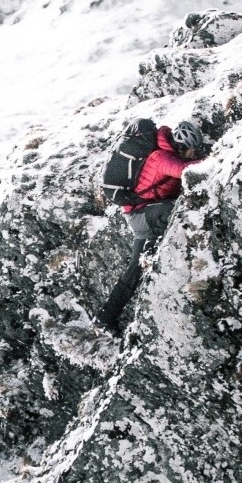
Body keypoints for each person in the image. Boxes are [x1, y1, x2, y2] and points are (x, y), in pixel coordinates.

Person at [95, 120, 205, 333]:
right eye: (192, 150)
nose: (194, 154)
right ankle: (152, 249)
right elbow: (183, 170)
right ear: (180, 146)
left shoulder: (165, 154)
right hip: (142, 216)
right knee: (175, 208)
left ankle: (104, 318)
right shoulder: (160, 157)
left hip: (144, 214)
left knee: (133, 273)